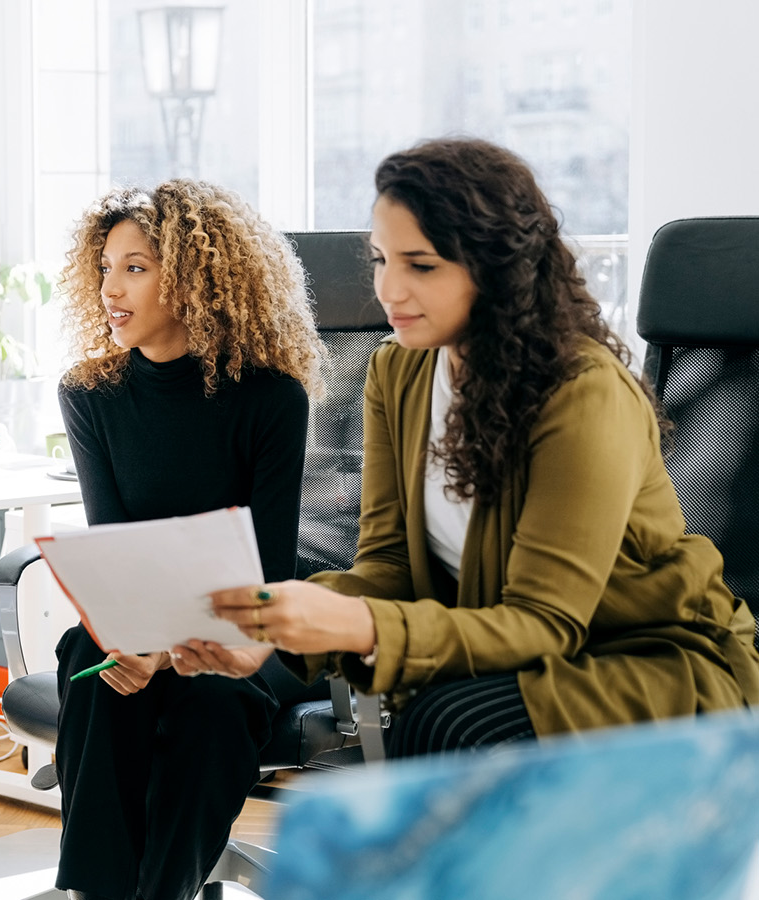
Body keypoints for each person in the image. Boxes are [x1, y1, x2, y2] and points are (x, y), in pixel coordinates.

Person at [184, 137, 759, 757]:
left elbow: (547, 621)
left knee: (446, 717)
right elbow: (389, 568)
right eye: (380, 260)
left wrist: (363, 625)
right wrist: (270, 633)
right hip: (514, 652)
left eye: (421, 265)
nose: (389, 291)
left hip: (639, 660)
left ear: (496, 268)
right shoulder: (398, 375)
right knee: (434, 710)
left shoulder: (583, 394)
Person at [53, 179, 327, 900]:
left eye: (136, 267)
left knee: (208, 697)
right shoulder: (90, 393)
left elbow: (266, 569)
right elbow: (116, 549)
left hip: (253, 627)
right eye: (106, 267)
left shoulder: (270, 399)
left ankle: (162, 892)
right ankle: (100, 891)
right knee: (92, 655)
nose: (112, 288)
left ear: (198, 278)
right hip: (142, 617)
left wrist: (175, 653)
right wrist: (137, 639)